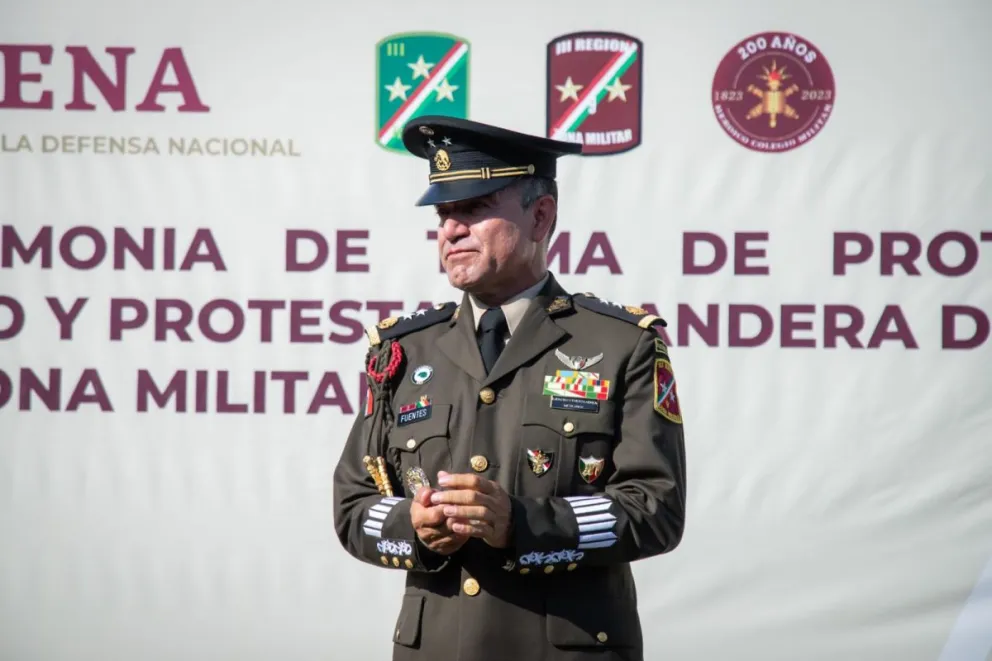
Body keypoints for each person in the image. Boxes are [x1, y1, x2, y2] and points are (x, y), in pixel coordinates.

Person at [332, 115, 687, 661]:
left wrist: (522, 524)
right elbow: (355, 508)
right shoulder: (403, 352)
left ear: (541, 216)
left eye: (473, 209)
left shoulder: (622, 344)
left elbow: (656, 509)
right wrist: (416, 526)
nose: (451, 229)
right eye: (444, 213)